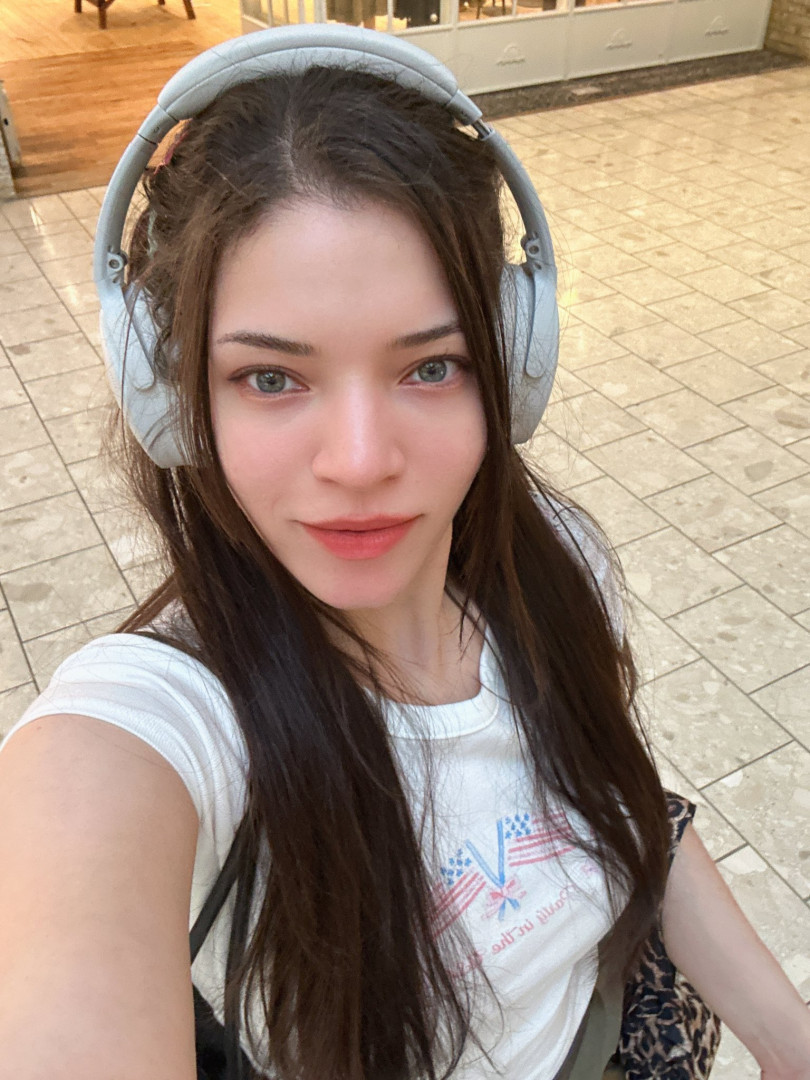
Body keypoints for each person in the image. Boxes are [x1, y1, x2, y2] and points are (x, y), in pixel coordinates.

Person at [0, 27, 807, 1080]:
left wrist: (790, 1040)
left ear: (512, 364)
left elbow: (626, 801)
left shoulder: (558, 566)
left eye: (431, 367)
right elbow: (77, 847)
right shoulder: (162, 721)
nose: (362, 461)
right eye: (271, 379)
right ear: (174, 397)